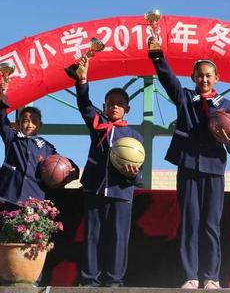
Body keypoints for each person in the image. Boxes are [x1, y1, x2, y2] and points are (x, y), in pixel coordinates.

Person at [150, 45, 230, 290]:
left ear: (216, 78)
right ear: (193, 78)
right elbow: (168, 80)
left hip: (213, 169)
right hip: (188, 166)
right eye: (199, 75)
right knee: (190, 222)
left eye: (208, 75)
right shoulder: (186, 97)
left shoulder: (225, 103)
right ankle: (190, 275)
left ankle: (212, 276)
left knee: (211, 224)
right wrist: (157, 55)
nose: (204, 79)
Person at [75, 56, 143, 287]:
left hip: (122, 193)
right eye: (110, 102)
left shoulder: (135, 137)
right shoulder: (97, 125)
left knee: (118, 239)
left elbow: (139, 173)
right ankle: (89, 281)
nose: (114, 106)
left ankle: (114, 281)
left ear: (127, 109)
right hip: (94, 188)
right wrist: (82, 81)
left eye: (119, 103)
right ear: (104, 107)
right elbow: (84, 104)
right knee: (92, 237)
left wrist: (133, 174)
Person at [0, 82, 78, 207]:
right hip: (11, 194)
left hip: (35, 198)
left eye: (34, 122)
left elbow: (60, 161)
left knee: (32, 227)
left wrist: (74, 171)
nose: (29, 124)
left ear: (40, 126)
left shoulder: (46, 147)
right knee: (10, 226)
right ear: (18, 124)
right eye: (25, 121)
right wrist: (1, 97)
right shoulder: (12, 138)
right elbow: (2, 123)